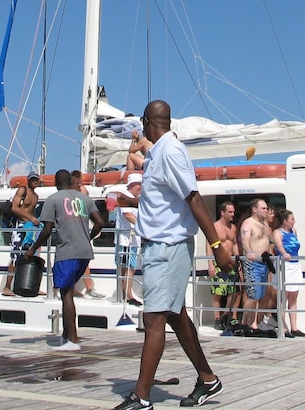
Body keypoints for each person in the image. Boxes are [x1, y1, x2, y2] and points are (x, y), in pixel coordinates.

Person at [113, 100, 234, 410]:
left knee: (153, 317)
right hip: (157, 246)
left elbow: (193, 198)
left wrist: (217, 246)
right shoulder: (156, 154)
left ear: (145, 122)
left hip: (168, 247)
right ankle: (208, 379)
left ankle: (141, 397)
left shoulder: (170, 152)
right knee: (176, 315)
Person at [25, 169, 104, 351]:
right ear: (70, 181)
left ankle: (73, 341)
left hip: (66, 252)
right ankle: (66, 336)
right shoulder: (85, 198)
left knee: (66, 295)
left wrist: (32, 250)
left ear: (55, 182)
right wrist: (87, 237)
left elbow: (46, 232)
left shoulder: (53, 200)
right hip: (85, 253)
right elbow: (100, 223)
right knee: (68, 291)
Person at [3, 172, 41, 295]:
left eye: (36, 180)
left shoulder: (36, 196)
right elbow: (15, 208)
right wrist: (30, 218)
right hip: (19, 226)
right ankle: (7, 287)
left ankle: (26, 285)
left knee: (30, 255)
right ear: (28, 180)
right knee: (15, 257)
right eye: (33, 179)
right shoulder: (22, 190)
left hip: (29, 228)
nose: (35, 181)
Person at [273, 209, 305, 337]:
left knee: (293, 296)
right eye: (292, 219)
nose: (294, 221)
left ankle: (294, 327)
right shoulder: (277, 232)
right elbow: (278, 246)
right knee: (283, 296)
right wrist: (284, 253)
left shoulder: (294, 231)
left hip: (295, 265)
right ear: (285, 221)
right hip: (285, 265)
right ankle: (284, 326)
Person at [239, 198, 272, 331]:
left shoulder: (265, 224)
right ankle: (243, 322)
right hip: (252, 263)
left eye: (266, 208)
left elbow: (268, 241)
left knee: (260, 295)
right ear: (254, 209)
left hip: (264, 263)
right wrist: (249, 252)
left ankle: (253, 323)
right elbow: (245, 240)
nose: (266, 211)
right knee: (253, 296)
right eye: (263, 208)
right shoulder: (248, 224)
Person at [72, 169, 104, 299]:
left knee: (82, 260)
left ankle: (88, 288)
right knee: (76, 260)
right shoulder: (70, 194)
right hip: (74, 231)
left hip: (80, 230)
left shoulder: (81, 192)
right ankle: (71, 287)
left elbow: (87, 209)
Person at [208, 201, 238, 331]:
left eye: (233, 212)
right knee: (218, 292)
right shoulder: (214, 227)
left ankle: (227, 314)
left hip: (231, 262)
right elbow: (209, 245)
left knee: (233, 290)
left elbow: (234, 244)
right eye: (230, 212)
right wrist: (210, 264)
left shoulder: (233, 228)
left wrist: (238, 259)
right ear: (222, 212)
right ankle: (217, 318)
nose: (232, 214)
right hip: (218, 262)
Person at [116, 173, 143, 306]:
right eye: (139, 184)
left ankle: (126, 292)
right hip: (126, 239)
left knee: (129, 266)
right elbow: (127, 214)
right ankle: (127, 294)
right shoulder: (125, 197)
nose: (141, 187)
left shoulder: (135, 198)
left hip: (132, 239)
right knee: (128, 266)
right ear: (133, 185)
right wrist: (144, 227)